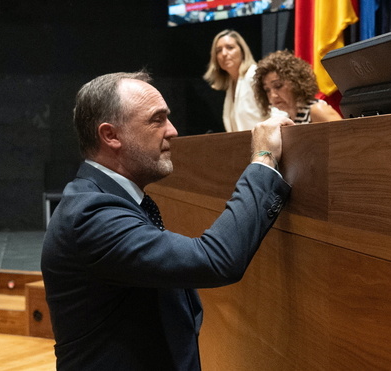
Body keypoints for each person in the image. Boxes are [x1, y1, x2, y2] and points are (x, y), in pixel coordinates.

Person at [41, 71, 293, 370]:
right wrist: (263, 159)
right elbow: (216, 260)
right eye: (156, 120)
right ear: (110, 135)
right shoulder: (91, 215)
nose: (172, 131)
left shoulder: (110, 198)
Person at [203, 29, 268, 132]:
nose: (224, 53)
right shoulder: (231, 83)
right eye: (219, 50)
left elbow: (277, 113)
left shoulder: (254, 75)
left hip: (265, 145)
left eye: (230, 47)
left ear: (242, 51)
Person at [253, 50, 343, 124]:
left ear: (296, 82)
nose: (272, 95)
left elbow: (348, 141)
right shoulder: (288, 119)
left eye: (278, 86)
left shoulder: (317, 110)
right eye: (267, 90)